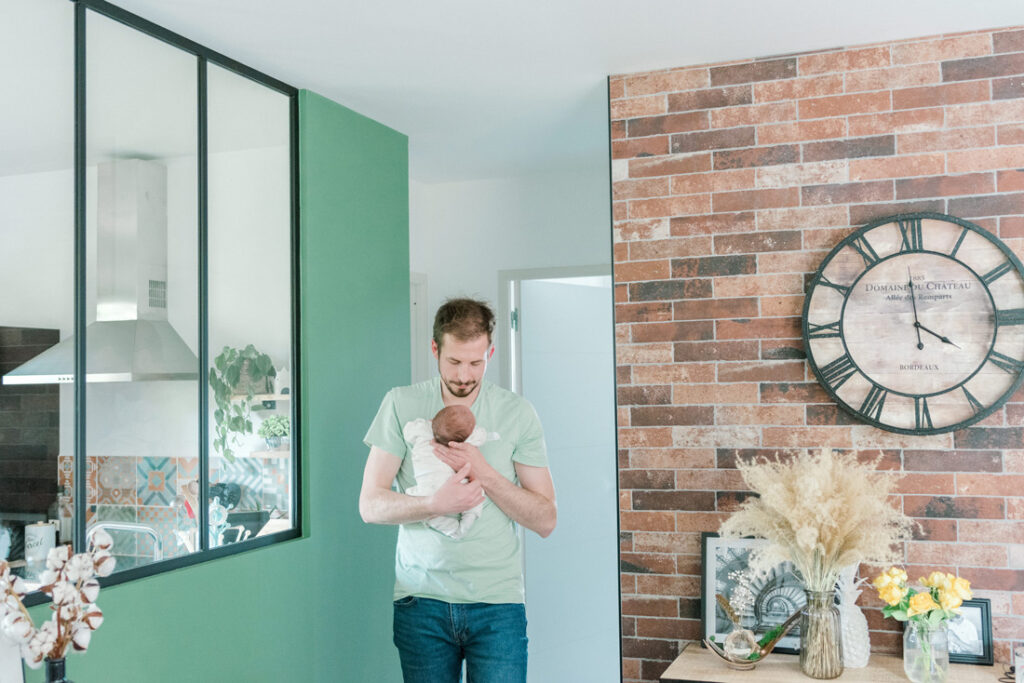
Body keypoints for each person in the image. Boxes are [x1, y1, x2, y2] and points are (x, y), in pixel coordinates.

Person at [360, 297, 557, 683]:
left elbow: (546, 519)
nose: (465, 375)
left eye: (476, 362)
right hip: (422, 602)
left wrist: (483, 472)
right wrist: (435, 503)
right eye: (454, 362)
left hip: (497, 606)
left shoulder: (517, 413)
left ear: (491, 352)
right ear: (435, 349)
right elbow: (370, 505)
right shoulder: (401, 404)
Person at [403, 404, 490, 539]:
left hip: (426, 490)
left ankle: (451, 529)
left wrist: (426, 423)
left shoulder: (422, 430)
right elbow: (481, 436)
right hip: (453, 484)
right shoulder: (467, 441)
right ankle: (466, 522)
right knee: (476, 493)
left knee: (426, 512)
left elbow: (408, 431)